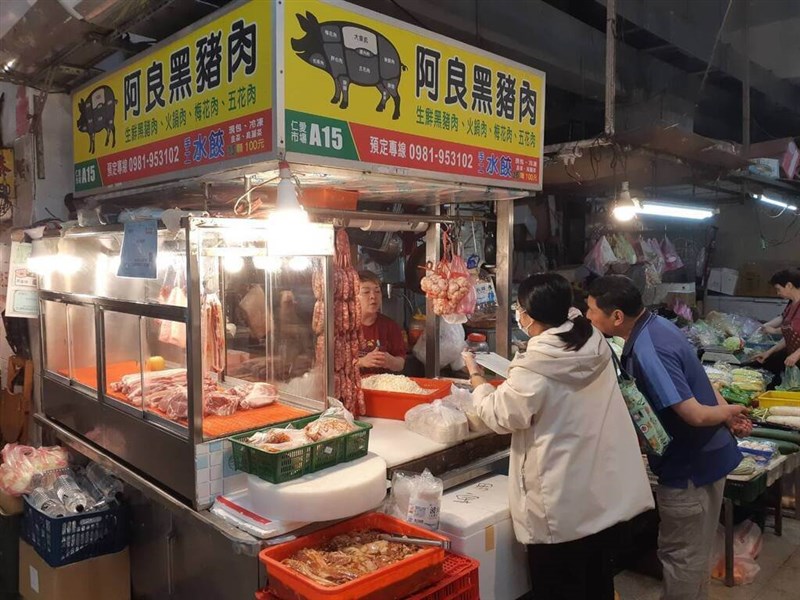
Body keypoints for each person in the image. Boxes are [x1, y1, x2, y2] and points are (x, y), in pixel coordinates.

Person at [463, 273, 654, 600]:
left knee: (558, 587)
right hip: (598, 495)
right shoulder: (591, 338)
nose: (517, 314)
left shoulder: (537, 366)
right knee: (596, 583)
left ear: (529, 316)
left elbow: (500, 414)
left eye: (519, 309)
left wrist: (477, 378)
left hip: (560, 504)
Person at [587, 275, 746, 600]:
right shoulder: (659, 326)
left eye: (591, 311)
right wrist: (726, 409)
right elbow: (703, 382)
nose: (588, 317)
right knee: (694, 559)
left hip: (690, 471)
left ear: (616, 317)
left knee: (681, 560)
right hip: (709, 460)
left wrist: (731, 412)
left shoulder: (648, 349)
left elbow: (695, 415)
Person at [753, 268, 800, 379]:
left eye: (778, 289)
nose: (777, 293)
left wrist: (797, 354)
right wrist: (768, 353)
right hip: (795, 362)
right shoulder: (791, 305)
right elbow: (788, 335)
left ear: (789, 285)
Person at [356, 270, 405, 374]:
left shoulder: (390, 326)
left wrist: (390, 362)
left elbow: (400, 363)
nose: (373, 296)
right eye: (366, 292)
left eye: (377, 291)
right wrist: (362, 362)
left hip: (380, 387)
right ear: (354, 297)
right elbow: (332, 364)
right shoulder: (344, 327)